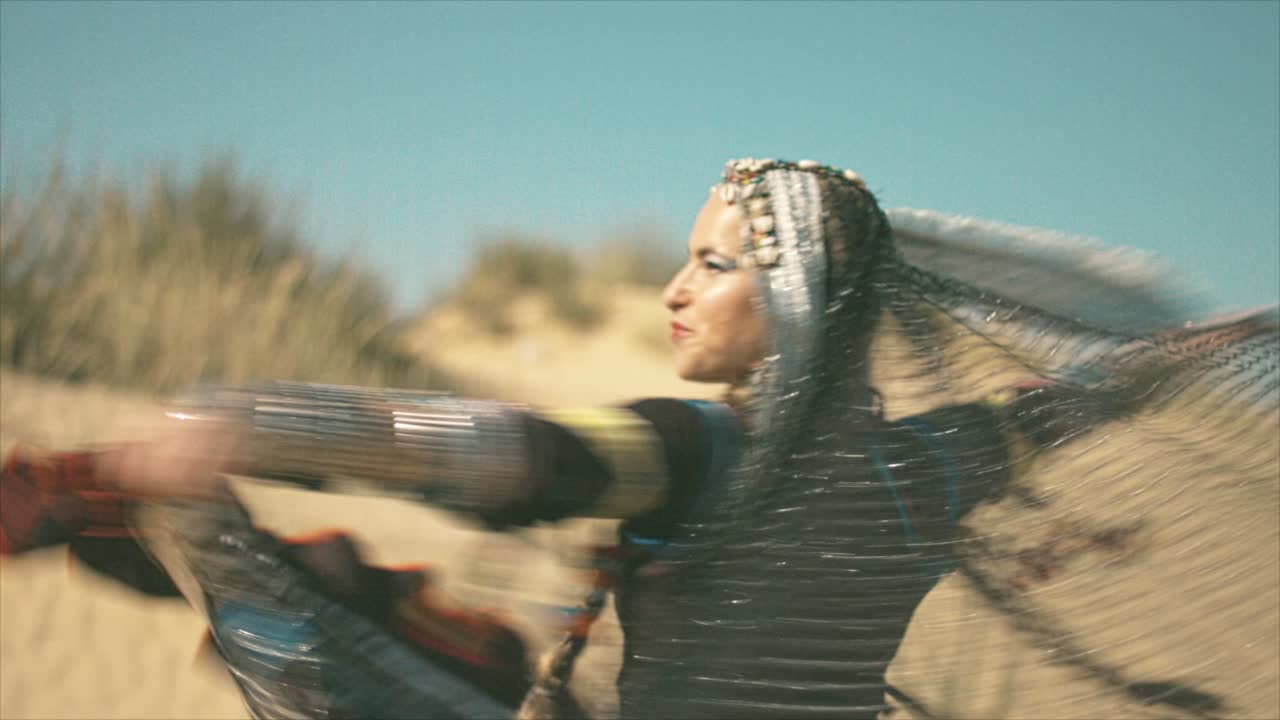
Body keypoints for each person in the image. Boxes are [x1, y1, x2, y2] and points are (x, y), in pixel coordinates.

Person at [2, 158, 1275, 720]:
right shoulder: (929, 465)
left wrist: (239, 420)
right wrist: (1212, 346)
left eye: (713, 263)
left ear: (791, 305)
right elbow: (1095, 393)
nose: (674, 287)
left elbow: (491, 452)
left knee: (232, 556)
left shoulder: (701, 453)